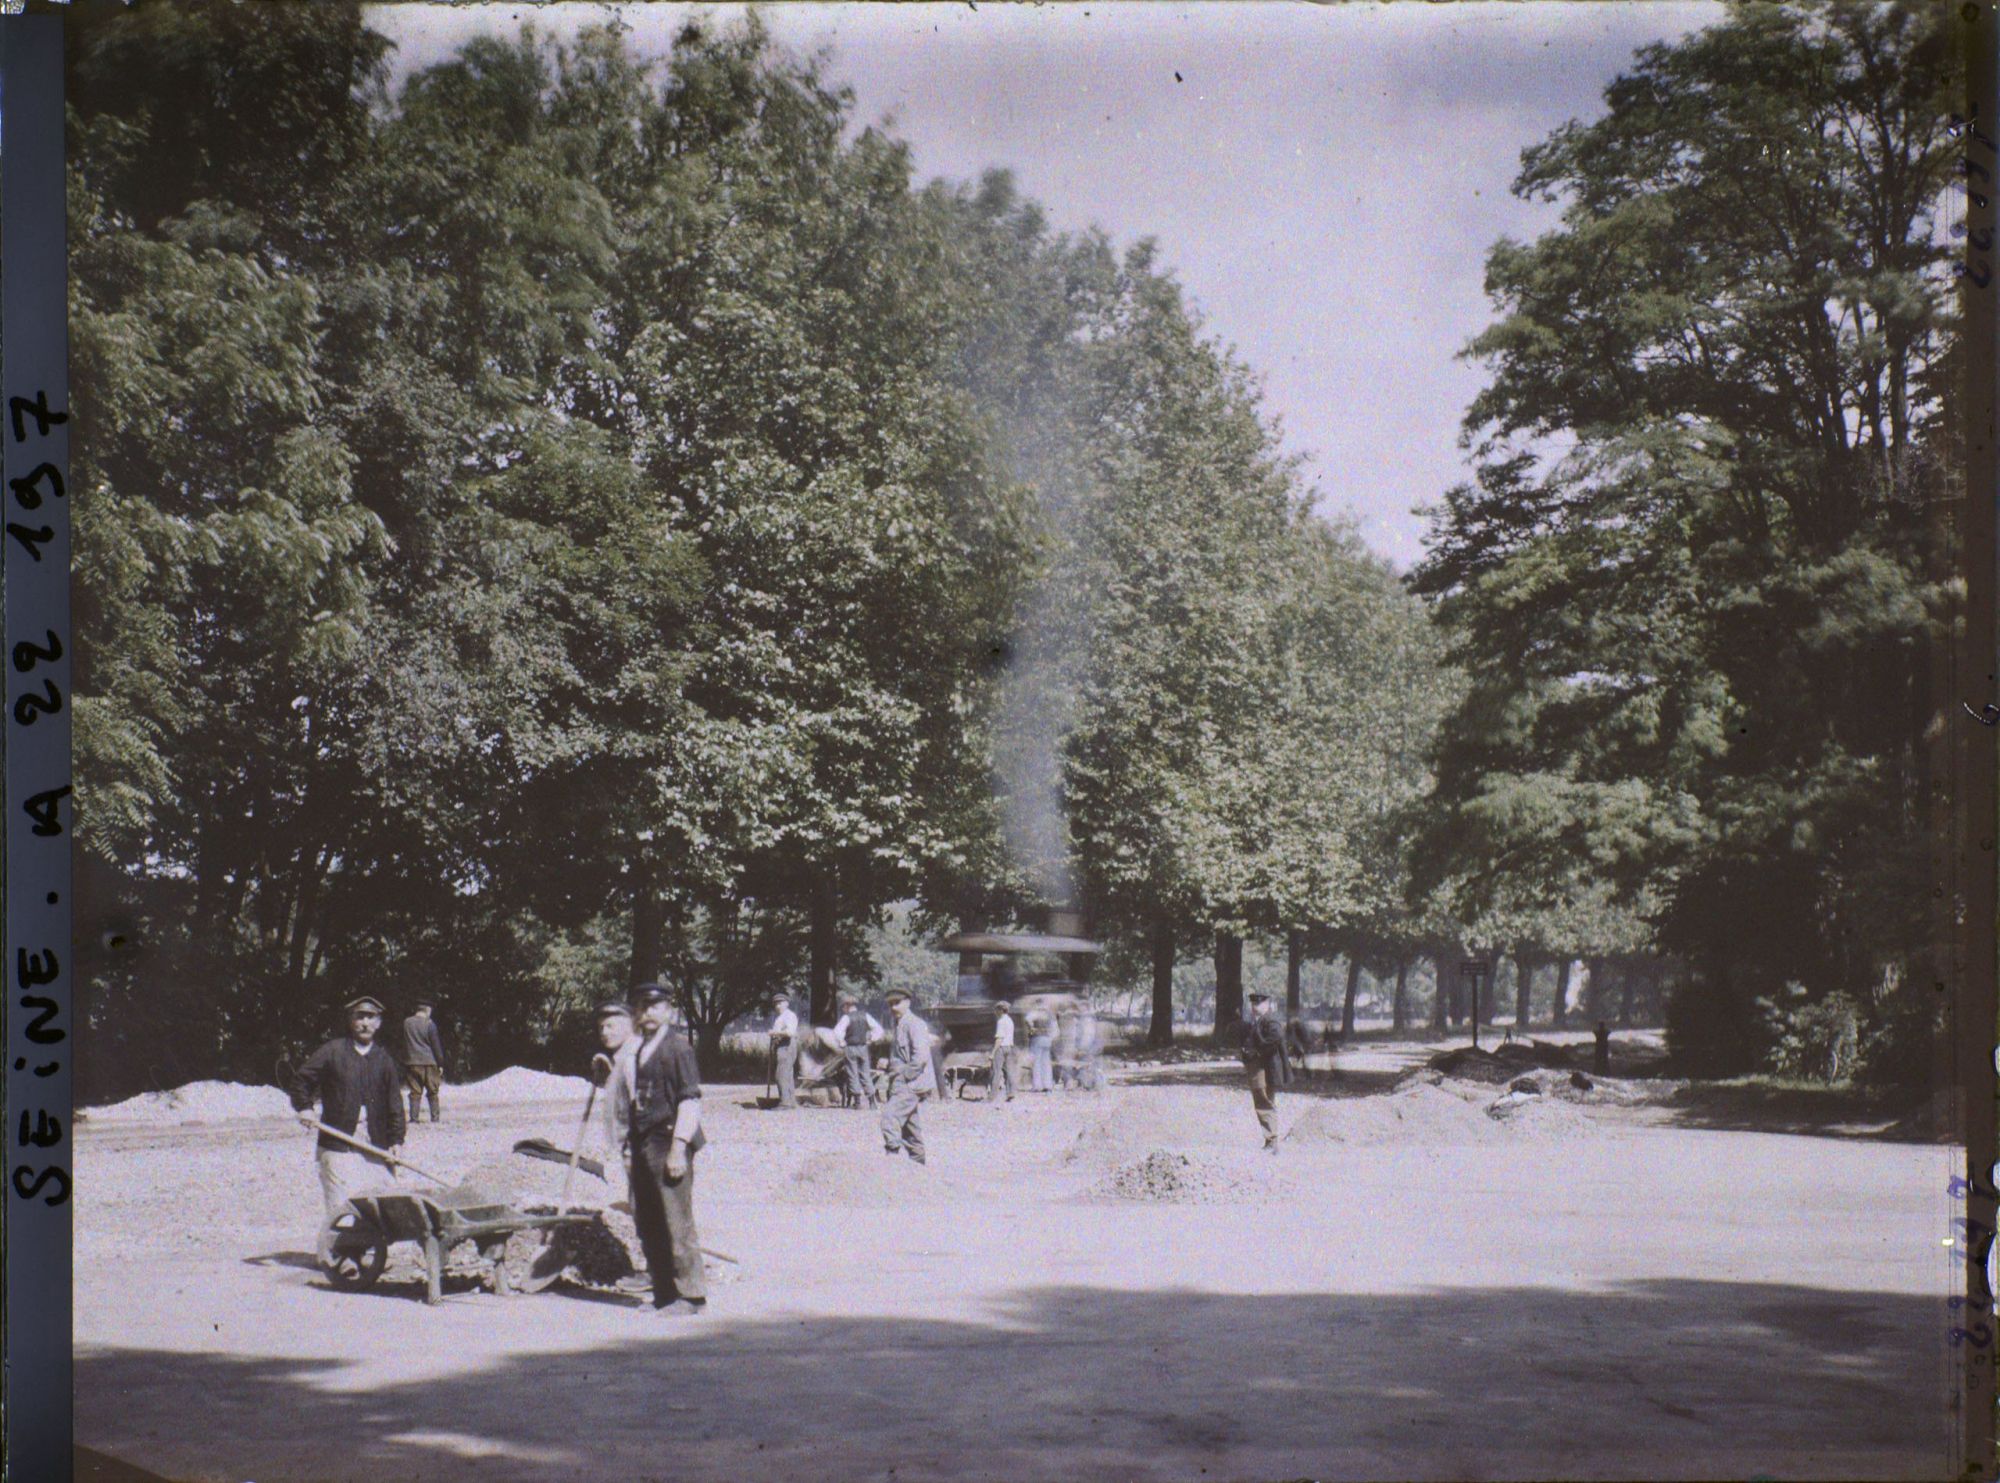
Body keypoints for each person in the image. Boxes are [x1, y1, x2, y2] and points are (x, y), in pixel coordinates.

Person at [615, 983, 709, 1314]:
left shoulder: (678, 1048)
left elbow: (689, 1099)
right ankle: (665, 1293)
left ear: (668, 1010)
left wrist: (679, 1148)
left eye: (655, 1006)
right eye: (641, 1007)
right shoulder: (638, 1049)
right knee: (649, 1219)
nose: (648, 1013)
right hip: (644, 1142)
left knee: (676, 1220)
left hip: (669, 1140)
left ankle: (691, 1296)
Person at [290, 996, 408, 1229]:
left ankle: (372, 1248)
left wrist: (396, 1140)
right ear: (350, 1021)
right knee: (342, 1210)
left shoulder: (384, 1060)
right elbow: (301, 1081)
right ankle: (342, 1248)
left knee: (382, 1207)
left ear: (379, 1023)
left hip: (374, 1143)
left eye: (370, 1017)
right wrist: (305, 1107)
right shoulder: (332, 1051)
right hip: (337, 1144)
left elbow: (394, 1103)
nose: (365, 1023)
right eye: (359, 1017)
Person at [880, 987, 937, 1164]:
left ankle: (892, 1159)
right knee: (910, 1127)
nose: (893, 1008)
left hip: (911, 1082)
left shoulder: (915, 1024)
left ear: (907, 1002)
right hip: (902, 1080)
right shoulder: (899, 1024)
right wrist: (888, 1064)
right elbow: (901, 1055)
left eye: (897, 1003)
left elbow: (921, 1057)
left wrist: (905, 1076)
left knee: (890, 1116)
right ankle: (918, 1164)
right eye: (890, 1004)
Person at [1238, 990, 1292, 1152]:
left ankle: (1271, 1141)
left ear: (1267, 1004)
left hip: (1266, 1068)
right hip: (1259, 1067)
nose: (1255, 1007)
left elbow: (1275, 1039)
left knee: (1263, 1101)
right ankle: (1270, 1140)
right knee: (1264, 1100)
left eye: (1259, 1003)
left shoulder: (1270, 1021)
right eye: (1253, 1003)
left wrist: (1256, 1052)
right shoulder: (1257, 1021)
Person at [399, 999, 447, 1124]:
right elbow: (436, 1046)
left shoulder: (406, 1023)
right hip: (429, 1062)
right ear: (428, 1010)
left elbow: (403, 1042)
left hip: (412, 1062)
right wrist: (440, 1063)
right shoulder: (430, 1024)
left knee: (415, 1091)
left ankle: (414, 1118)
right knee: (432, 1091)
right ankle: (435, 1118)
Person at [832, 994, 884, 1109]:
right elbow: (879, 1029)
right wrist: (872, 1039)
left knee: (852, 1073)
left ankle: (857, 1102)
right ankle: (872, 1102)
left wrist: (842, 1042)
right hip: (863, 1047)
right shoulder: (866, 1015)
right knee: (866, 1073)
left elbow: (837, 1032)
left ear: (847, 1006)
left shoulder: (846, 1018)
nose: (843, 1009)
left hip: (850, 1048)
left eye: (843, 1006)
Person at [768, 991, 800, 1110]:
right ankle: (791, 1101)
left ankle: (785, 1103)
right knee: (787, 1074)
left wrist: (774, 1032)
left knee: (781, 1074)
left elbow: (790, 1032)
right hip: (781, 1045)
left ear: (787, 1003)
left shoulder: (789, 1015)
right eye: (776, 1003)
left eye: (780, 1003)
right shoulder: (780, 1017)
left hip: (787, 1045)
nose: (777, 1006)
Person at [987, 999, 1018, 1104]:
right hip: (1009, 1047)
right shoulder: (1010, 1020)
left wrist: (992, 1053)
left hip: (1001, 1048)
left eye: (996, 1010)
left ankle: (992, 1097)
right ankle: (1011, 1093)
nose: (995, 1012)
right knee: (1008, 1072)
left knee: (996, 1072)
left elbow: (999, 1038)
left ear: (1000, 1010)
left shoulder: (1001, 1021)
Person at [1027, 1006, 1055, 1092]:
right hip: (1047, 1039)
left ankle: (1037, 1086)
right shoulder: (1049, 1015)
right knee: (1046, 1063)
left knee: (1037, 1063)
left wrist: (1031, 1029)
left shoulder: (1035, 1014)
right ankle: (1048, 1085)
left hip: (1037, 1038)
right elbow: (1054, 1029)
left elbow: (1027, 1020)